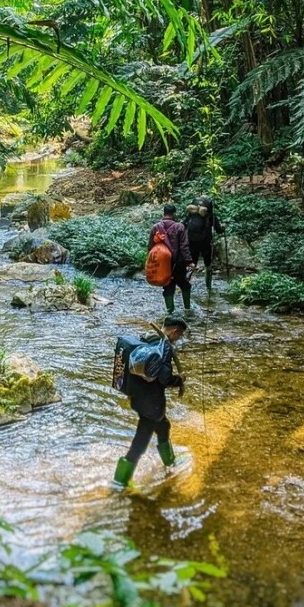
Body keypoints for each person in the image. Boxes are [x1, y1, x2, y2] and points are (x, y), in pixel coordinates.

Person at [114, 316, 188, 488]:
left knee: (164, 426)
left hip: (138, 398)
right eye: (180, 335)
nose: (179, 339)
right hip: (152, 405)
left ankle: (170, 462)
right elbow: (165, 379)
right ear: (175, 331)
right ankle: (120, 481)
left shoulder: (146, 338)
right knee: (140, 442)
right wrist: (179, 379)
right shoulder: (164, 348)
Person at [149, 203, 193, 313]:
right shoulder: (179, 227)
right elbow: (184, 246)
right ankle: (187, 309)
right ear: (174, 214)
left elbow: (150, 246)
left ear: (164, 213)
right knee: (184, 284)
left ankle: (170, 313)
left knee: (168, 286)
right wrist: (189, 262)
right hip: (178, 263)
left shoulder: (155, 227)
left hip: (162, 263)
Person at [183, 195, 225, 293]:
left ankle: (185, 282)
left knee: (192, 263)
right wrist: (223, 228)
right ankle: (209, 287)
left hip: (192, 241)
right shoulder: (210, 216)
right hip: (205, 243)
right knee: (208, 264)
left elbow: (183, 224)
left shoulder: (191, 215)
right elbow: (218, 230)